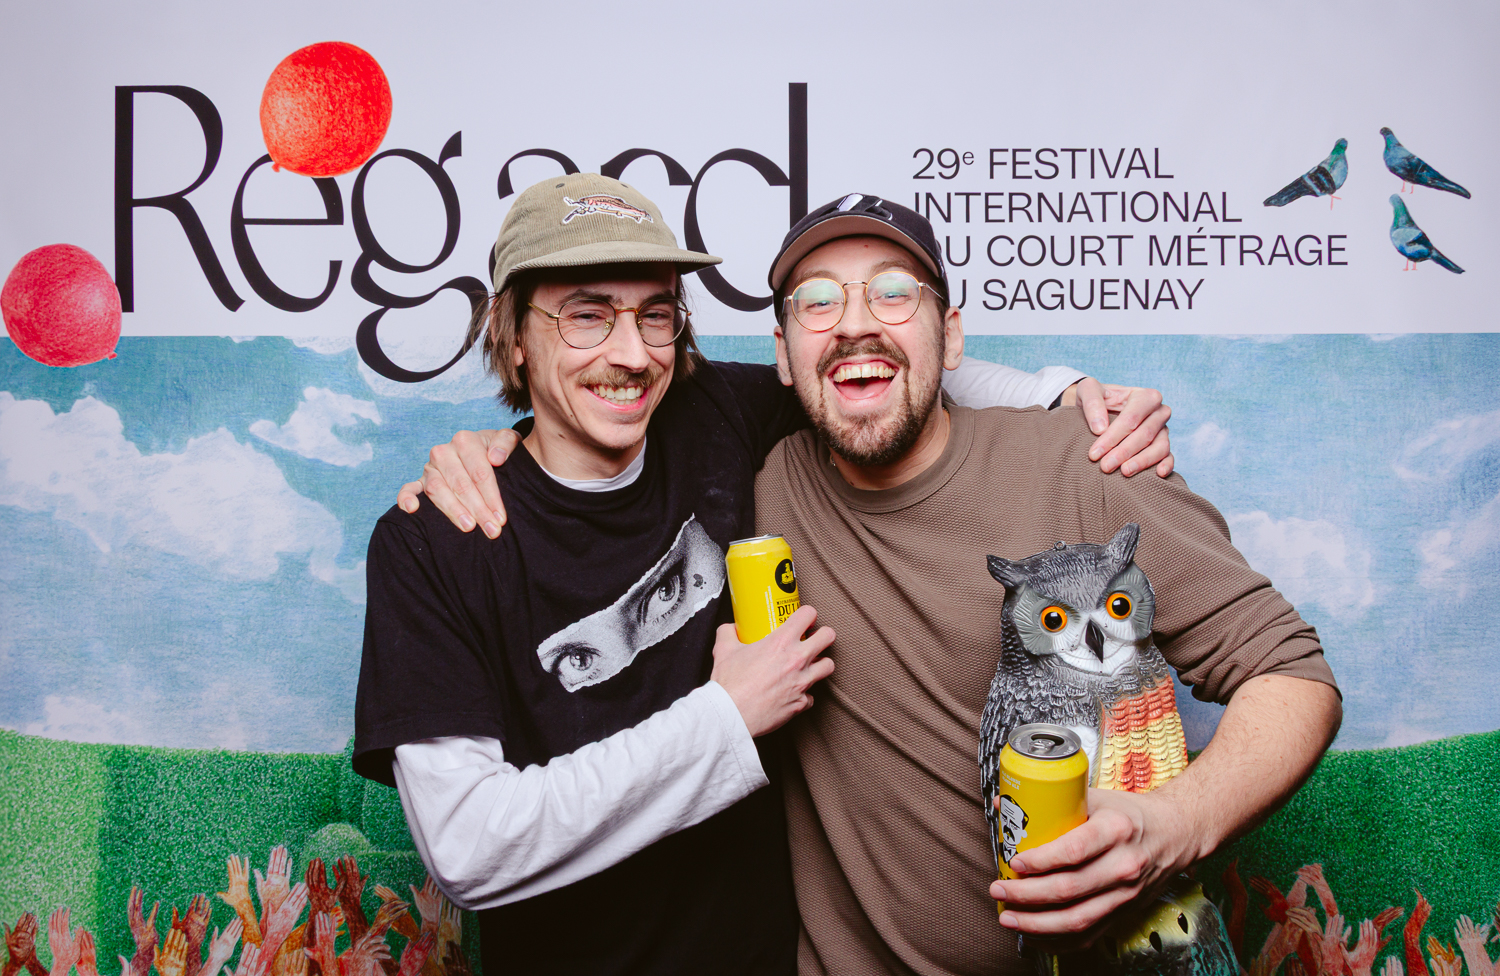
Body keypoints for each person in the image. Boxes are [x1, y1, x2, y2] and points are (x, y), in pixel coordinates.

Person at [361, 176, 1174, 976]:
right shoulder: (432, 544)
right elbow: (467, 846)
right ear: (511, 336)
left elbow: (873, 367)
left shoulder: (712, 415)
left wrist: (1059, 393)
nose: (632, 354)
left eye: (655, 315)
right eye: (586, 315)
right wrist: (725, 717)